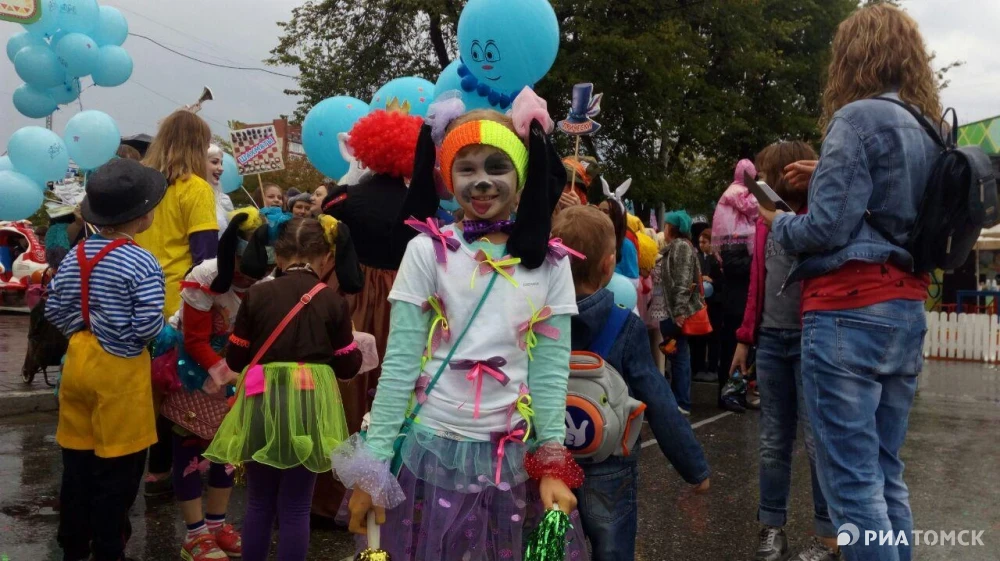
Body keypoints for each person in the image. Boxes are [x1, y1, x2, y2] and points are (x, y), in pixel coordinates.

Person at [332, 94, 590, 560]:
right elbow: (400, 363)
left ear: (520, 176)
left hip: (511, 459)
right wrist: (374, 466)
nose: (482, 181)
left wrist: (552, 461)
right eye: (466, 168)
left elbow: (550, 371)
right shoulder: (426, 251)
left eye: (497, 166)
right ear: (449, 179)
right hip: (429, 451)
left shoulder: (551, 264)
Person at [761, 6, 941, 561]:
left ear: (852, 55)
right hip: (905, 310)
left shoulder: (855, 118)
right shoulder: (928, 127)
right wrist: (826, 169)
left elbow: (825, 229)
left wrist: (778, 222)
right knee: (886, 474)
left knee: (852, 485)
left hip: (846, 313)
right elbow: (891, 201)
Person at [553, 205, 710, 561]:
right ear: (609, 265)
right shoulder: (624, 325)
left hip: (553, 463)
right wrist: (694, 468)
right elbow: (658, 399)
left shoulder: (539, 321)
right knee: (613, 546)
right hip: (610, 463)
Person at [204, 217, 363, 561]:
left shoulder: (257, 295)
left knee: (259, 501)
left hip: (261, 399)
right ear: (326, 258)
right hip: (309, 402)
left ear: (277, 255)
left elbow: (236, 358)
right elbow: (348, 365)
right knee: (296, 506)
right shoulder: (332, 301)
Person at [45, 159, 168, 561]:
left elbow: (54, 307)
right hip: (120, 370)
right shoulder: (142, 260)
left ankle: (73, 545)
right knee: (119, 470)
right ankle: (109, 547)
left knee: (77, 463)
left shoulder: (77, 253)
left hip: (78, 361)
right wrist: (126, 340)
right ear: (142, 215)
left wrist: (83, 330)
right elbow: (148, 323)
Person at [731, 141, 839, 561]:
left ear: (783, 176)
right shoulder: (763, 223)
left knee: (817, 439)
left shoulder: (819, 217)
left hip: (813, 337)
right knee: (772, 440)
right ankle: (772, 527)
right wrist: (745, 337)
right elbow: (757, 283)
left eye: (764, 173)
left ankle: (828, 536)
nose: (759, 180)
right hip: (772, 340)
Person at [165, 209, 271, 561]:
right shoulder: (205, 276)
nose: (250, 277)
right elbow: (195, 340)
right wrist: (228, 374)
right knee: (191, 449)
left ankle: (216, 524)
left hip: (238, 370)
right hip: (196, 370)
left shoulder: (267, 281)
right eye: (243, 266)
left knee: (228, 450)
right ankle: (194, 534)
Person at [136, 109, 220, 498]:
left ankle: (147, 469)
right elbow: (206, 257)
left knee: (146, 388)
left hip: (138, 299)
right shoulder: (196, 189)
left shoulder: (143, 187)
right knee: (176, 389)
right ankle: (168, 470)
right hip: (176, 303)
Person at [712, 159, 758, 411]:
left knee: (741, 350)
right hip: (735, 301)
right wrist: (757, 262)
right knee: (731, 348)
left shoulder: (740, 226)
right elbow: (732, 266)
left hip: (743, 300)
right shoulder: (735, 234)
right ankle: (727, 394)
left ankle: (737, 393)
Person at [657, 210, 704, 416]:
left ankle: (682, 402)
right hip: (673, 310)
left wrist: (678, 312)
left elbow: (683, 281)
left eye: (666, 225)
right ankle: (679, 400)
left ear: (671, 228)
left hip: (677, 312)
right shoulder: (676, 247)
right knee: (677, 355)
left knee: (680, 355)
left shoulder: (681, 247)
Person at [690, 222, 723, 381]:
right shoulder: (698, 258)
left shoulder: (718, 259)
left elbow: (723, 281)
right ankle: (699, 366)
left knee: (714, 336)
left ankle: (712, 367)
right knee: (700, 337)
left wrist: (712, 281)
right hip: (702, 302)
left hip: (715, 303)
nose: (701, 245)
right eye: (700, 242)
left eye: (704, 242)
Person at [206, 144, 235, 235]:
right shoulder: (184, 196)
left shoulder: (224, 200)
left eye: (221, 163)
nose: (221, 169)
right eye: (214, 162)